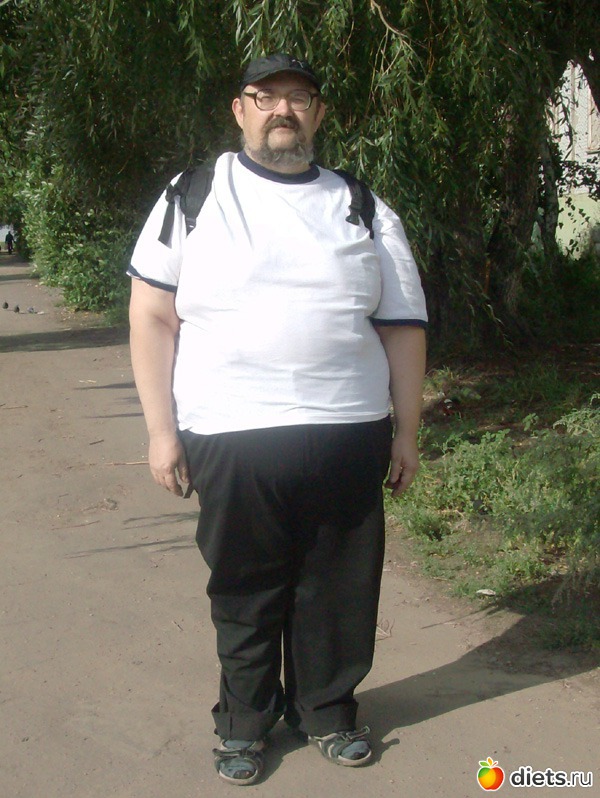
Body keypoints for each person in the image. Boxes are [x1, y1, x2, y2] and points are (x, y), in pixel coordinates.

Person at [128, 53, 427, 786]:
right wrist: (161, 431)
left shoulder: (361, 204)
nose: (282, 111)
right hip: (229, 433)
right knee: (245, 588)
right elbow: (152, 315)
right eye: (265, 98)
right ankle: (244, 723)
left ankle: (327, 711)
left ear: (318, 114)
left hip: (348, 428)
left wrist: (407, 432)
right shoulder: (193, 195)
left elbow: (402, 327)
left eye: (297, 98)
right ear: (240, 111)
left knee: (338, 587)